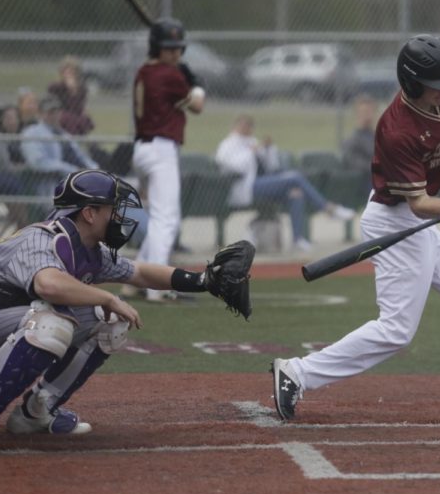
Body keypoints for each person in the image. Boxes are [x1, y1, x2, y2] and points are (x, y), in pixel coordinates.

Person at [270, 34, 440, 421]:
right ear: (414, 83)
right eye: (437, 88)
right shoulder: (396, 130)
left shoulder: (438, 91)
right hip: (395, 219)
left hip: (417, 219)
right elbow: (417, 205)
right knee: (397, 329)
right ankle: (297, 372)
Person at [0, 169, 224, 455]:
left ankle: (36, 412)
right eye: (112, 209)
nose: (118, 217)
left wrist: (204, 280)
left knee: (110, 321)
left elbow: (139, 272)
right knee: (50, 322)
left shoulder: (86, 248)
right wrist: (106, 296)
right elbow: (49, 283)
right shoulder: (42, 239)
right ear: (89, 213)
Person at [131, 17, 206, 302]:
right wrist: (196, 85)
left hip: (142, 148)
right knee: (166, 220)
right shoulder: (169, 75)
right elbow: (197, 106)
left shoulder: (144, 71)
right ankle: (158, 287)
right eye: (169, 48)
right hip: (161, 149)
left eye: (178, 48)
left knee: (161, 218)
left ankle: (138, 276)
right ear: (156, 48)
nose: (175, 54)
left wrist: (183, 77)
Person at [215, 114, 355, 252]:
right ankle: (328, 208)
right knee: (294, 177)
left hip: (265, 185)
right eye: (243, 125)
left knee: (296, 194)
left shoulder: (252, 141)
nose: (247, 128)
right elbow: (235, 167)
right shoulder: (227, 145)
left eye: (250, 125)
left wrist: (268, 149)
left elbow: (272, 166)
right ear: (235, 126)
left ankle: (298, 240)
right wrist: (252, 152)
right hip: (245, 188)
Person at [20, 95, 99, 198]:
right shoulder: (31, 133)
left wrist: (94, 169)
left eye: (57, 111)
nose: (54, 115)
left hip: (80, 179)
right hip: (53, 184)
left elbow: (81, 156)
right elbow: (38, 162)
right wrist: (73, 170)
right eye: (50, 112)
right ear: (40, 114)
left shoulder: (64, 134)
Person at [340, 94, 378, 196]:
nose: (368, 115)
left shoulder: (379, 137)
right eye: (365, 112)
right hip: (363, 181)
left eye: (370, 111)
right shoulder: (351, 140)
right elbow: (355, 163)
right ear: (357, 114)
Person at [47, 56, 95, 136]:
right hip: (60, 114)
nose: (68, 75)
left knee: (83, 119)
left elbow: (79, 107)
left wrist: (73, 91)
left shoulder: (82, 88)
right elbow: (55, 105)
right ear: (61, 73)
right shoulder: (55, 87)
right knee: (69, 119)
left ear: (77, 73)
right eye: (66, 72)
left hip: (76, 114)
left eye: (72, 72)